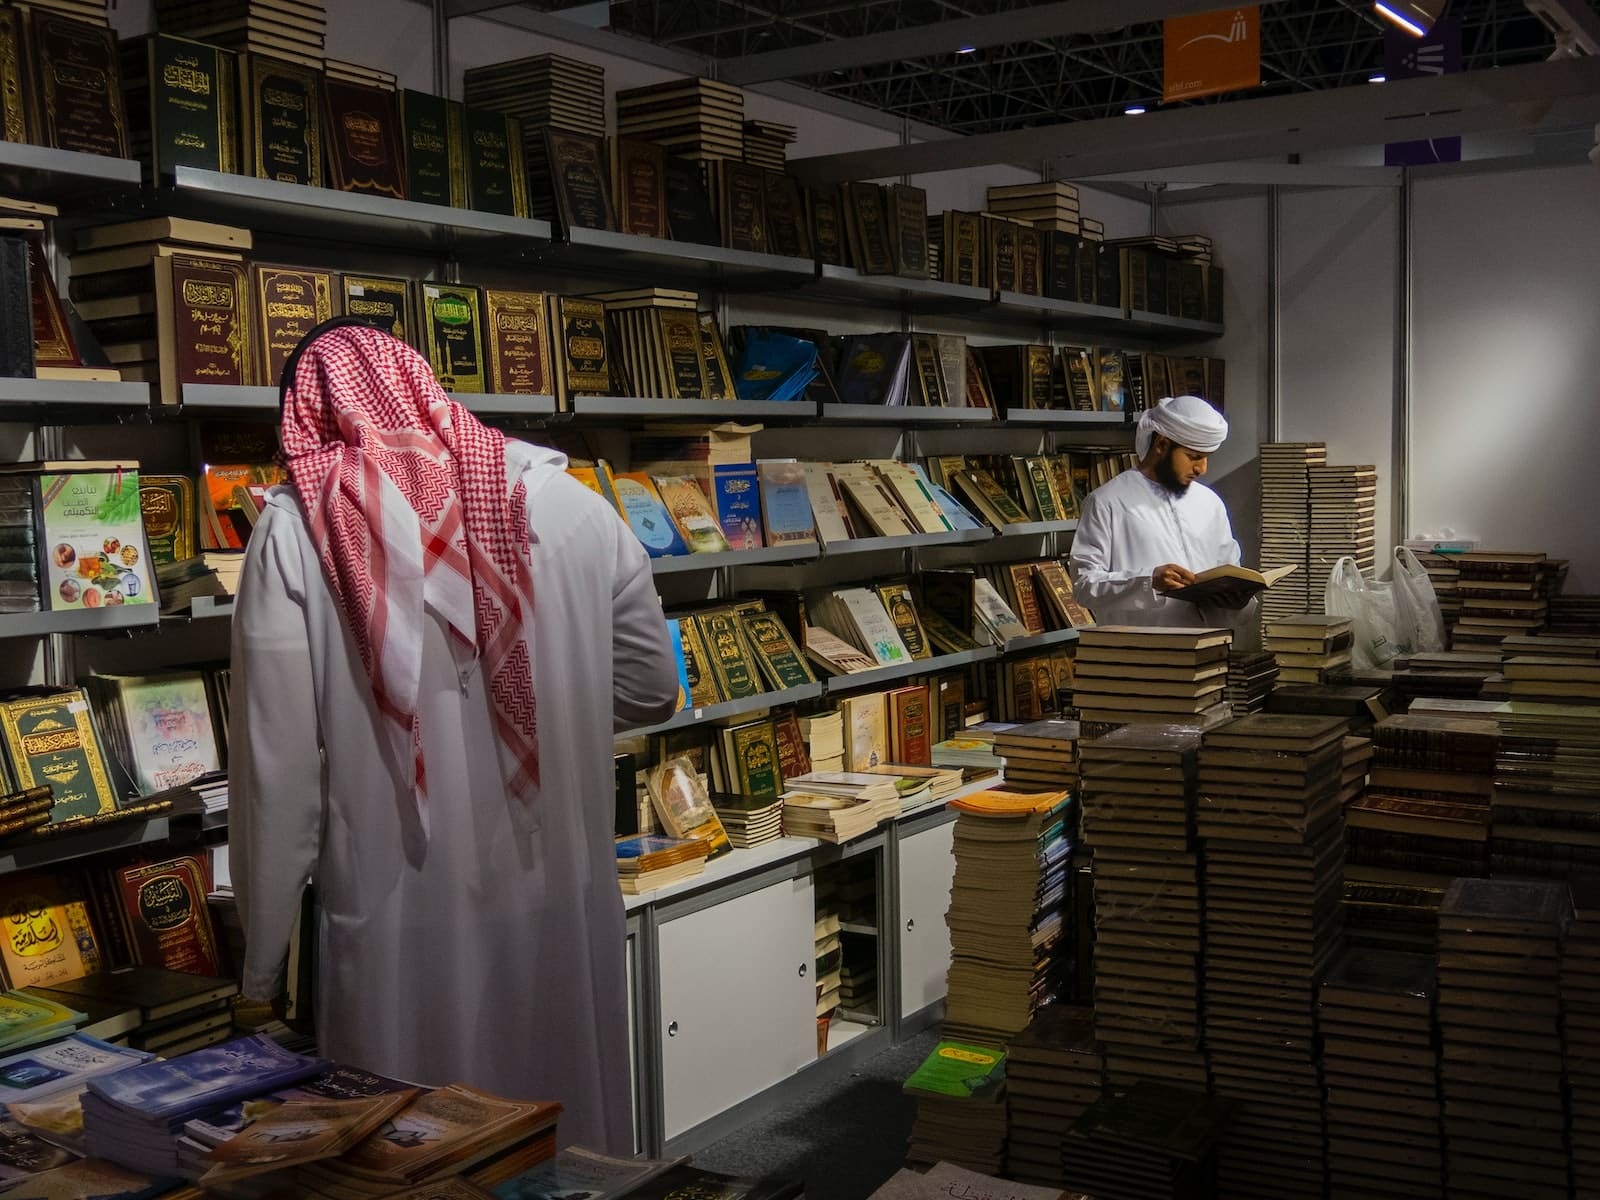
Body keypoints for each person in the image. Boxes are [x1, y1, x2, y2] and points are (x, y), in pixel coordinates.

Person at [229, 320, 678, 1153]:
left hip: (403, 921)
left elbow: (276, 778)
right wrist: (559, 717)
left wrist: (262, 967)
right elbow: (652, 693)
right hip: (561, 898)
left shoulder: (295, 533)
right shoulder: (580, 510)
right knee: (569, 1138)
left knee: (413, 1150)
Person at [1068, 394, 1256, 629]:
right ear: (1162, 445)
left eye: (1207, 458)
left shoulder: (1210, 503)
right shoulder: (1107, 501)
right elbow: (1084, 586)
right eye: (1194, 457)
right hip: (1142, 655)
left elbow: (1229, 571)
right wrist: (1149, 582)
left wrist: (1235, 598)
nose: (1202, 468)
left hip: (1209, 650)